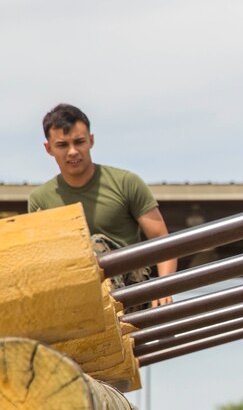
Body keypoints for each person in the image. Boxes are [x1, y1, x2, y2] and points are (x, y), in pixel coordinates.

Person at [29, 103, 177, 306]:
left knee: (94, 243)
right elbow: (41, 259)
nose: (72, 152)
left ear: (91, 140)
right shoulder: (40, 200)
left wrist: (164, 286)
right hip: (75, 295)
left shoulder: (125, 183)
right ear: (49, 148)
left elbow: (161, 238)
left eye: (79, 142)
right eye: (63, 145)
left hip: (129, 291)